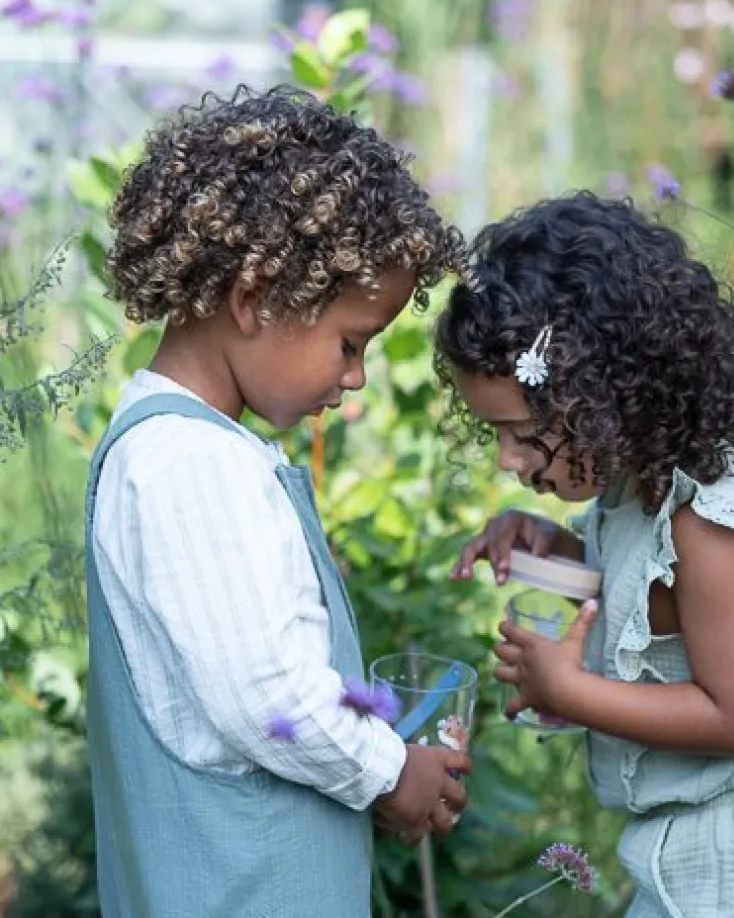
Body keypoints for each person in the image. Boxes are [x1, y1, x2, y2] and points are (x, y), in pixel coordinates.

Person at [85, 85, 470, 917]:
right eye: (350, 342)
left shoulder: (181, 447)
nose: (356, 376)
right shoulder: (193, 465)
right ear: (255, 298)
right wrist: (391, 771)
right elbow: (269, 697)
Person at [435, 191, 734, 917]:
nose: (508, 460)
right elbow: (651, 597)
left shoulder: (706, 521)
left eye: (519, 431)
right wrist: (558, 546)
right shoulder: (640, 484)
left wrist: (569, 693)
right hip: (695, 861)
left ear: (600, 395)